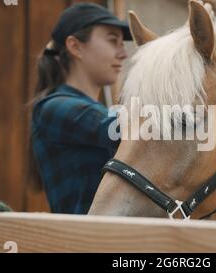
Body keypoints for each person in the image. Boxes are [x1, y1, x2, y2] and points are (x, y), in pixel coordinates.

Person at [29, 3, 131, 214]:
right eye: (113, 41)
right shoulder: (51, 109)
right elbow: (121, 129)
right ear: (75, 47)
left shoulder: (97, 111)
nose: (123, 54)